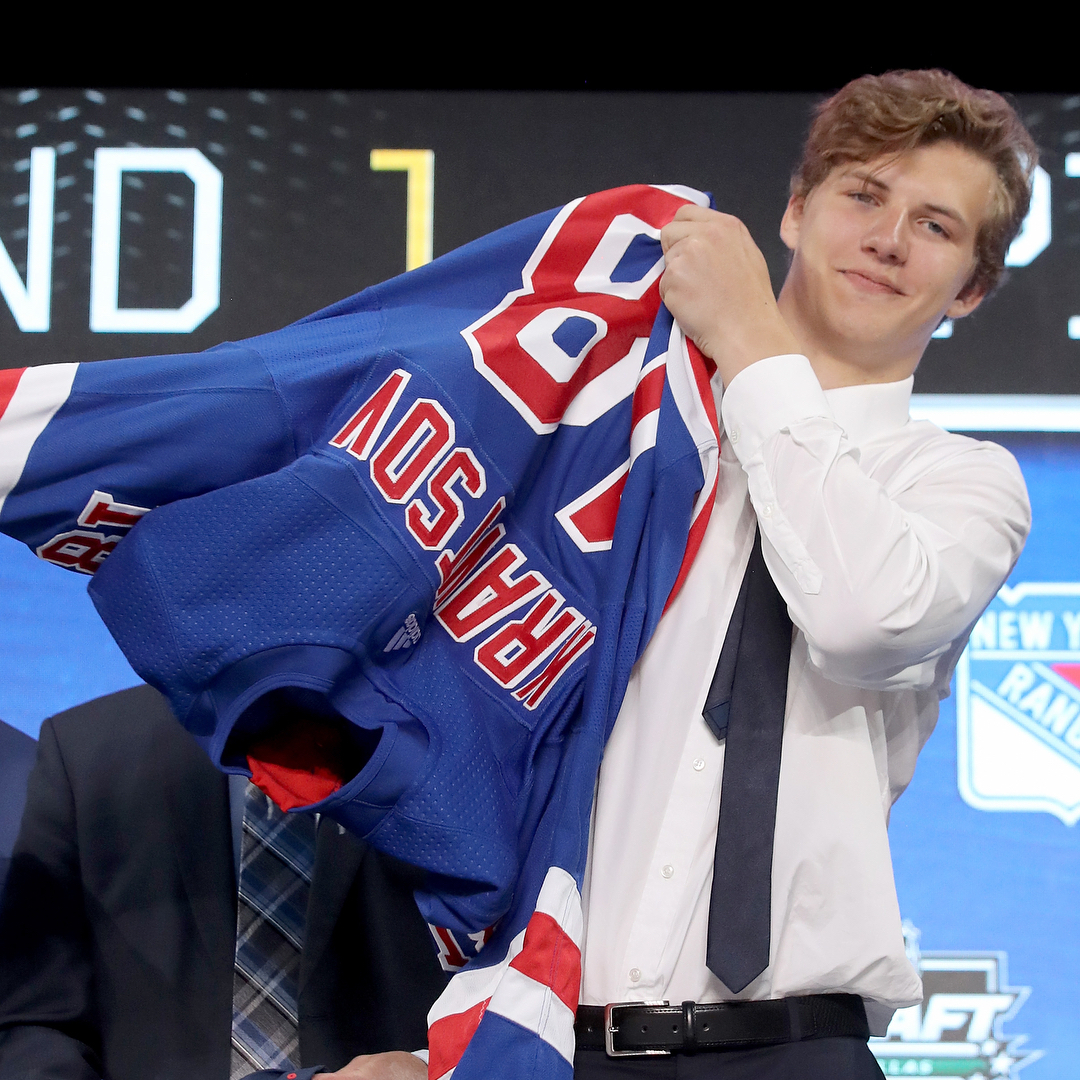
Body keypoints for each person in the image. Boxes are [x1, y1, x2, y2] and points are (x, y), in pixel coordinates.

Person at [344, 69, 1036, 1080]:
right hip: (546, 1040)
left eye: (936, 225)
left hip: (793, 1051)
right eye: (863, 195)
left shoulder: (961, 483)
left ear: (969, 289)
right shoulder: (616, 438)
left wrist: (751, 340)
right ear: (796, 212)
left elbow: (864, 617)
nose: (889, 238)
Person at [0, 684, 449, 1079]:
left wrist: (433, 1067)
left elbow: (491, 983)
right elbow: (36, 1021)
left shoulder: (453, 738)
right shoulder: (87, 750)